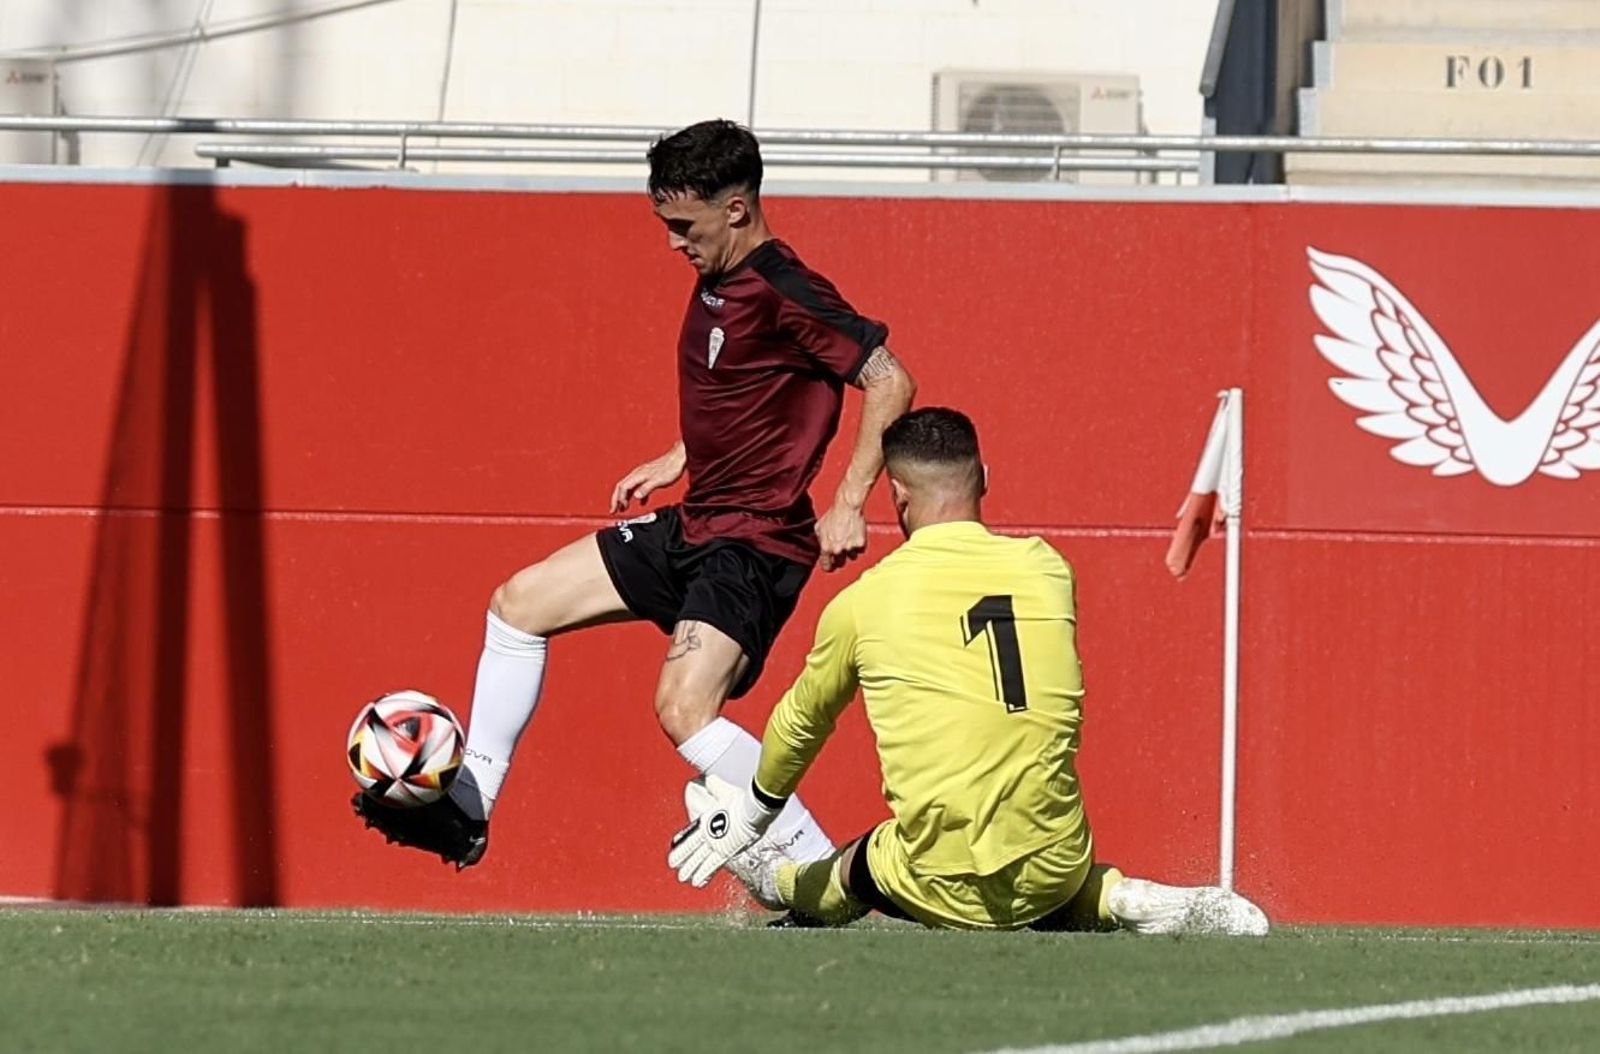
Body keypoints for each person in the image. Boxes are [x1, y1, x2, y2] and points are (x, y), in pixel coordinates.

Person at [355, 119, 916, 869]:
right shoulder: (716, 282)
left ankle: (820, 872)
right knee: (517, 605)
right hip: (696, 522)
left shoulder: (786, 288)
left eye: (684, 225)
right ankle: (471, 810)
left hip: (752, 543)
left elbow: (889, 380)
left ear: (738, 209)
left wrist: (850, 500)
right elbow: (748, 388)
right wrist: (682, 453)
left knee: (683, 710)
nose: (673, 242)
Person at [668, 407, 1267, 936]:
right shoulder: (1047, 569)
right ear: (983, 479)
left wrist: (751, 814)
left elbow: (801, 725)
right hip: (1059, 865)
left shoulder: (863, 601)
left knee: (856, 870)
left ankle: (778, 882)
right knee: (1039, 864)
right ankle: (1115, 895)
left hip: (937, 879)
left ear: (897, 497)